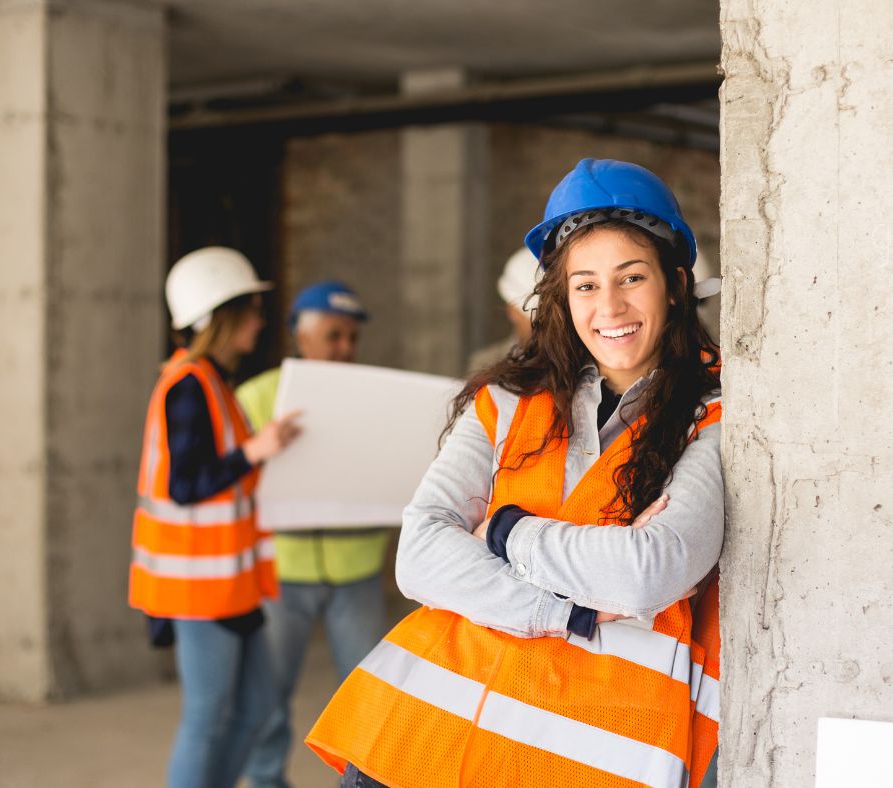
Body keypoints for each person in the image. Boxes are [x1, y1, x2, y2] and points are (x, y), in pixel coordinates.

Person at [305, 159, 723, 788]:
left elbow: (649, 570)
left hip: (585, 756)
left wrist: (502, 531)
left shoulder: (715, 413)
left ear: (675, 282)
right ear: (561, 296)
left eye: (631, 278)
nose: (608, 305)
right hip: (419, 739)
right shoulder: (506, 400)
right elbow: (419, 556)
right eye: (584, 285)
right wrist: (569, 613)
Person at [129, 246, 301, 788]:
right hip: (198, 588)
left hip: (231, 583)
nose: (259, 320)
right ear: (221, 316)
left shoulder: (211, 382)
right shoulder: (187, 386)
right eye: (250, 308)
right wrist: (256, 451)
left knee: (254, 707)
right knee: (207, 719)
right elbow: (186, 486)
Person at [238, 281, 391, 788]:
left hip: (357, 570)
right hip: (282, 573)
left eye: (351, 338)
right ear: (301, 339)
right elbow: (231, 479)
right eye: (333, 336)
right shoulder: (256, 398)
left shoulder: (376, 398)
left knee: (370, 697)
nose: (345, 349)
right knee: (267, 696)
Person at [467, 246, 541, 373]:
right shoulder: (485, 364)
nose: (551, 328)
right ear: (512, 309)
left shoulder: (580, 367)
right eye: (537, 318)